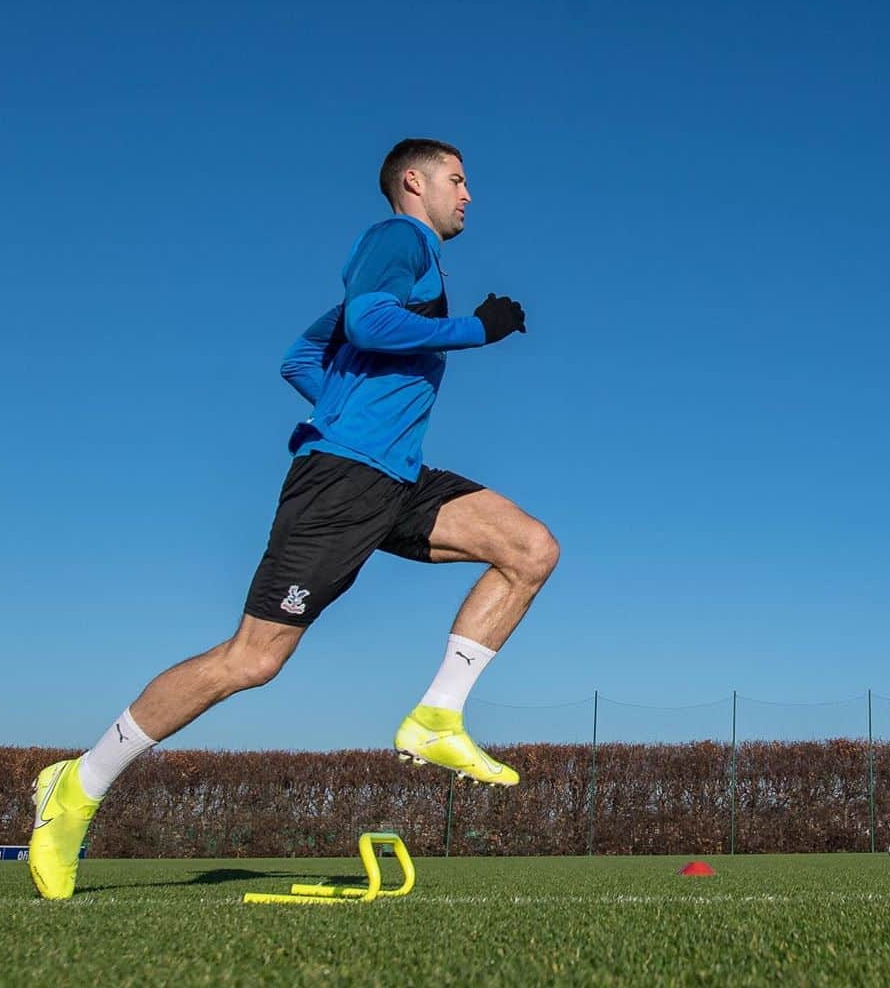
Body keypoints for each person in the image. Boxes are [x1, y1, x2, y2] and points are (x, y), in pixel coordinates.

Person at [29, 138, 559, 900]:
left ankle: (437, 716)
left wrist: (344, 401)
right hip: (342, 482)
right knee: (252, 659)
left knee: (529, 548)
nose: (469, 194)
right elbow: (371, 324)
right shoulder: (399, 240)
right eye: (459, 179)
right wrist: (478, 330)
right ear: (414, 182)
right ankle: (77, 784)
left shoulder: (411, 261)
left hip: (397, 477)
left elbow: (301, 354)